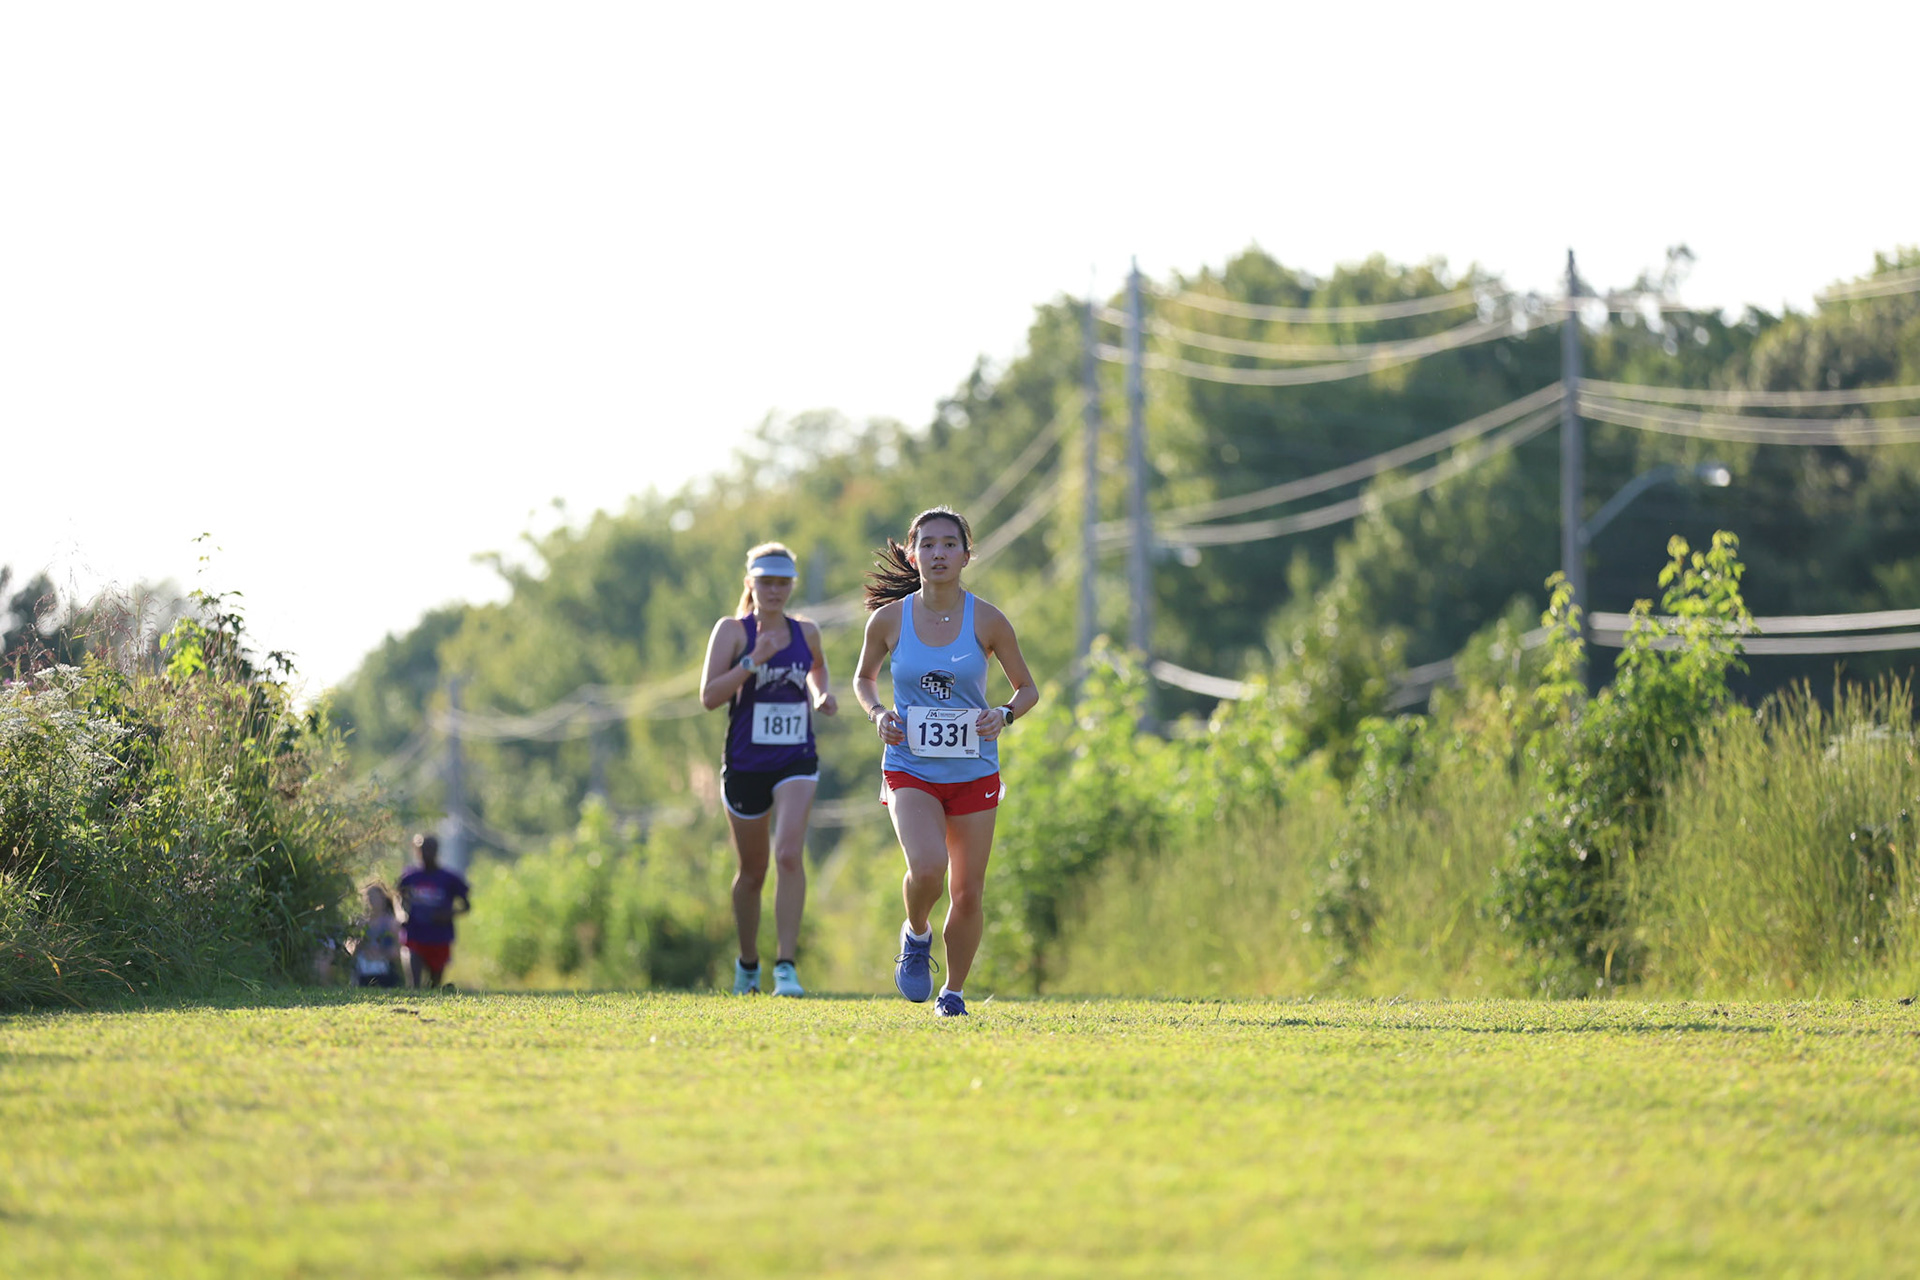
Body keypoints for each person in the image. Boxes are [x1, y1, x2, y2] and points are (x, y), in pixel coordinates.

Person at [851, 507, 1037, 1017]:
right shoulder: (889, 620)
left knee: (968, 891)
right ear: (913, 555)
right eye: (928, 545)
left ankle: (952, 992)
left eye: (949, 544)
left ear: (966, 555)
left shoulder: (989, 619)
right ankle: (916, 933)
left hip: (974, 768)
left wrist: (1003, 714)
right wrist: (877, 713)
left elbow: (1027, 689)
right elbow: (863, 678)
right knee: (928, 869)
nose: (938, 553)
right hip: (909, 764)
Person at [700, 541, 837, 997]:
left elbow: (817, 668)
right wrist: (753, 661)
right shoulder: (732, 631)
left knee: (789, 854)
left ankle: (786, 967)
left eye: (782, 582)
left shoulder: (807, 632)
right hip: (745, 765)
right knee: (753, 871)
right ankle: (747, 964)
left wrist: (821, 694)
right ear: (750, 584)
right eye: (766, 582)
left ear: (792, 585)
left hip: (795, 758)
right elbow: (709, 696)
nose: (774, 590)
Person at [397, 833, 470, 988]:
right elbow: (398, 898)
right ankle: (413, 1004)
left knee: (434, 985)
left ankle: (432, 1007)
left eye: (430, 849)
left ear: (437, 851)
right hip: (415, 934)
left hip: (439, 937)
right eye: (423, 849)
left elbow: (466, 906)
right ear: (417, 851)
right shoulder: (410, 876)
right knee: (414, 983)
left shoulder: (449, 878)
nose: (426, 853)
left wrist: (448, 914)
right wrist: (401, 914)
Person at [351, 884, 405, 989]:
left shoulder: (392, 923)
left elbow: (398, 950)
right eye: (370, 898)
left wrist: (382, 954)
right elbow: (351, 948)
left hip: (386, 970)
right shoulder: (361, 923)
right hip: (363, 968)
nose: (373, 901)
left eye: (376, 898)